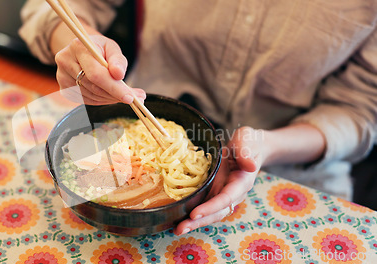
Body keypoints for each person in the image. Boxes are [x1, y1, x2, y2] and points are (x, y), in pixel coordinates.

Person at [19, 0, 377, 235]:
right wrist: (81, 45)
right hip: (133, 123)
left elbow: (361, 109)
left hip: (289, 173)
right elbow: (57, 7)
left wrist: (266, 147)